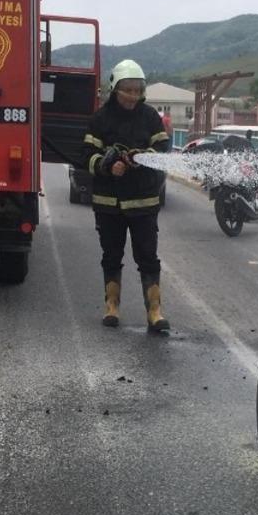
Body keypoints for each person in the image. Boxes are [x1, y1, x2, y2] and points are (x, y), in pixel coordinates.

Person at [78, 59, 172, 332]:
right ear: (114, 89)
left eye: (137, 90)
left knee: (148, 257)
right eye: (127, 90)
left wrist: (141, 157)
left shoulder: (150, 117)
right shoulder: (100, 119)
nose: (132, 96)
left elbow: (164, 149)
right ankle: (112, 306)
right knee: (111, 254)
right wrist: (108, 165)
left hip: (143, 202)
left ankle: (154, 311)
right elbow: (86, 156)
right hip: (109, 204)